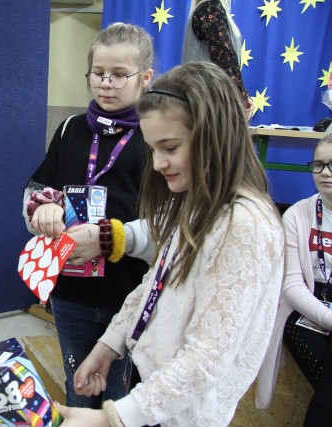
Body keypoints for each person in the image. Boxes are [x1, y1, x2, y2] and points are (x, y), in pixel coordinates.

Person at [55, 61, 285, 427]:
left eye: (171, 147)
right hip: (153, 388)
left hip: (183, 412)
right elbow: (155, 285)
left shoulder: (243, 225)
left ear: (214, 136)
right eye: (153, 150)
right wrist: (108, 345)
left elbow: (207, 357)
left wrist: (111, 418)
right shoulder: (196, 202)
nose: (159, 163)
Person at [22, 23, 153, 408]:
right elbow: (37, 188)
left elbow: (172, 223)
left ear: (144, 78)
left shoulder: (156, 134)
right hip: (72, 291)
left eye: (119, 75)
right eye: (98, 74)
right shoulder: (69, 130)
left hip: (131, 291)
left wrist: (112, 238)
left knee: (122, 397)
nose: (106, 83)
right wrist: (42, 208)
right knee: (79, 384)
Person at [256, 133, 332, 426]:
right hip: (305, 309)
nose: (325, 173)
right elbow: (291, 286)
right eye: (318, 165)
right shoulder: (297, 215)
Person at [182, 0, 253, 119]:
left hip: (201, 106)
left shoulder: (205, 8)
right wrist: (242, 97)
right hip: (208, 110)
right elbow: (225, 58)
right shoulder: (210, 7)